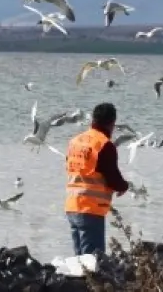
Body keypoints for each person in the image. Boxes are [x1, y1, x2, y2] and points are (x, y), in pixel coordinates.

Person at [64, 102, 130, 255]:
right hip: (90, 209)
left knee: (79, 262)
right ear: (112, 123)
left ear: (92, 120)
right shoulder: (104, 145)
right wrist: (124, 186)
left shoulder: (75, 141)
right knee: (93, 263)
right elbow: (113, 177)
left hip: (72, 206)